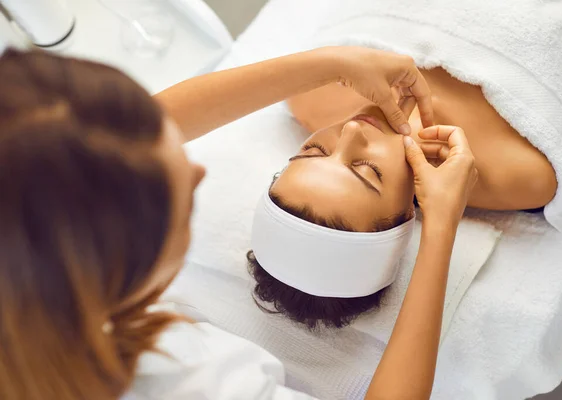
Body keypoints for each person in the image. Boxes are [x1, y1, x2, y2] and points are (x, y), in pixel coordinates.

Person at [0, 47, 475, 400]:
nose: (198, 170)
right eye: (179, 203)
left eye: (310, 151)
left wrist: (331, 63)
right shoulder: (189, 383)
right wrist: (442, 229)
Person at [247, 56, 558, 331]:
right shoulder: (519, 174)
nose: (351, 131)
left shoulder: (310, 92)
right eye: (368, 171)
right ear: (408, 213)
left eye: (313, 150)